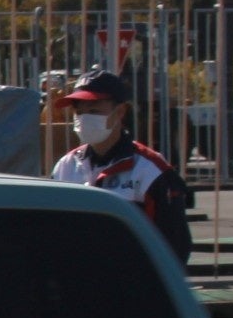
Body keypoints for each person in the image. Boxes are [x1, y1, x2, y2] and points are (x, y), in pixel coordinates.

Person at [51, 70, 191, 263]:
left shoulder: (150, 170)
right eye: (79, 112)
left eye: (94, 111)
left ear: (120, 112)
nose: (84, 119)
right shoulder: (65, 167)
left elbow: (176, 246)